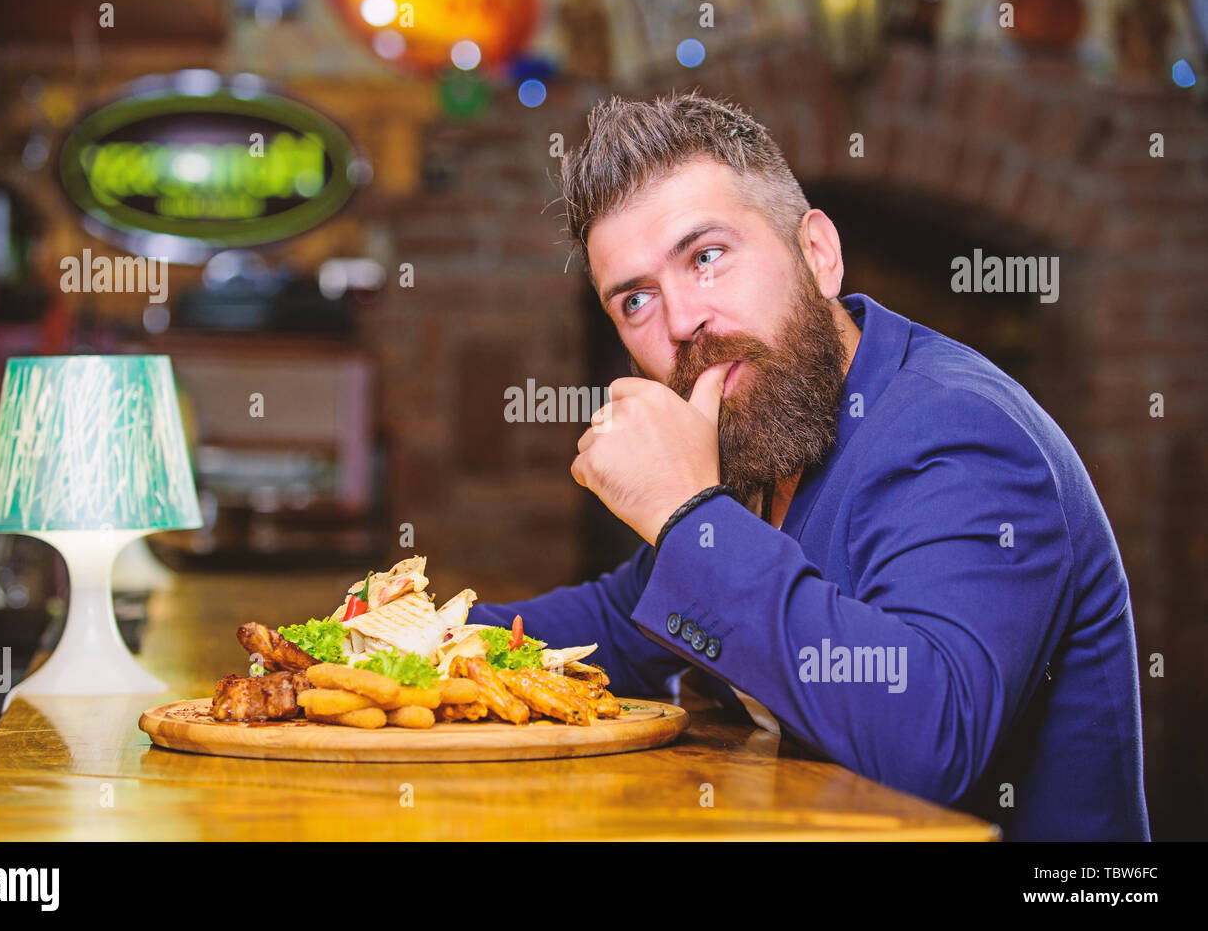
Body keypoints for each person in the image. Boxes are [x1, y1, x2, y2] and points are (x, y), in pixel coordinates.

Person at [468, 93, 1149, 841]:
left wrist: (683, 513)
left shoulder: (961, 431)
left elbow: (931, 739)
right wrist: (402, 632)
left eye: (706, 257)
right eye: (636, 300)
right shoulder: (762, 437)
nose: (682, 320)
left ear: (818, 254)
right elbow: (611, 624)